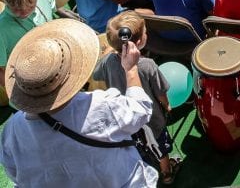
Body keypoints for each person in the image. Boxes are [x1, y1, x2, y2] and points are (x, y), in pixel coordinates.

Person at [0, 18, 159, 187]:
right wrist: (131, 69)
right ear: (69, 74)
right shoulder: (99, 105)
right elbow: (141, 110)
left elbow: (15, 173)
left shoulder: (12, 130)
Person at [93, 11, 181, 185]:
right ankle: (167, 173)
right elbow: (160, 92)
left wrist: (110, 54)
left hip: (125, 119)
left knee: (138, 146)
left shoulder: (107, 62)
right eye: (145, 32)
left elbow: (96, 75)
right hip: (152, 120)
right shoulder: (148, 65)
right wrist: (167, 105)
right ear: (139, 42)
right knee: (160, 147)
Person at [0, 0, 80, 88]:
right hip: (30, 83)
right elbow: (1, 70)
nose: (24, 12)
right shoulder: (2, 29)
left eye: (30, 6)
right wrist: (14, 92)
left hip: (57, 62)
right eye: (16, 9)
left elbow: (54, 3)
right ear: (5, 0)